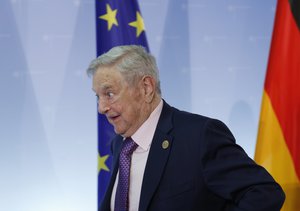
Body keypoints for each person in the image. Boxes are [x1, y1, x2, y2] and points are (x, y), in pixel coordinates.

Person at [87, 45, 285, 211]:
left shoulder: (199, 136)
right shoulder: (119, 146)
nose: (101, 108)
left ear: (146, 88)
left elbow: (264, 193)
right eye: (98, 96)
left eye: (110, 93)